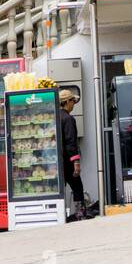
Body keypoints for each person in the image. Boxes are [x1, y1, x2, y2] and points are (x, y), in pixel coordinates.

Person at [59, 90, 86, 220]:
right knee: (77, 186)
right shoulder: (68, 119)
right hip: (67, 160)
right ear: (67, 102)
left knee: (60, 189)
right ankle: (80, 213)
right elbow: (71, 142)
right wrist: (76, 162)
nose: (74, 104)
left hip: (56, 161)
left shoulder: (54, 116)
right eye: (73, 101)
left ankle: (60, 215)